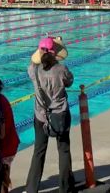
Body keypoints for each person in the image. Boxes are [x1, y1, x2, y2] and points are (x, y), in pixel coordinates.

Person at [26, 37, 75, 193]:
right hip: (60, 115)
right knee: (64, 150)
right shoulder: (61, 70)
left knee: (39, 151)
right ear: (55, 53)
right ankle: (65, 188)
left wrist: (39, 50)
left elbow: (33, 61)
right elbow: (70, 81)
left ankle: (32, 189)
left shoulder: (33, 70)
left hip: (40, 116)